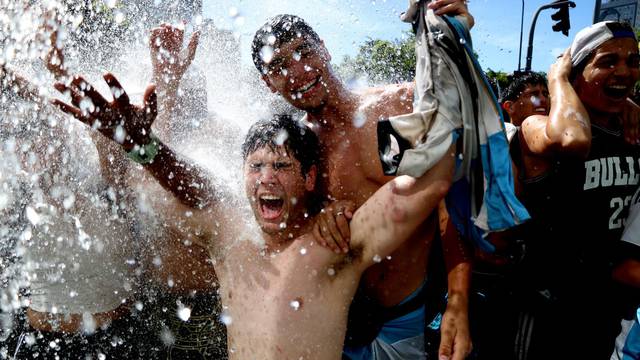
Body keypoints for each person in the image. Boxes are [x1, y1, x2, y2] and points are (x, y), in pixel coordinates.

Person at [52, 61, 456, 360]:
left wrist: (444, 40)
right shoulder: (229, 237)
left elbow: (435, 174)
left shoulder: (334, 243)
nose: (266, 179)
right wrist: (141, 146)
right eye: (256, 167)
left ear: (310, 179)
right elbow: (176, 187)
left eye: (281, 167)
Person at [250, 3, 474, 358]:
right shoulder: (294, 150)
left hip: (411, 314)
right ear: (268, 83)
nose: (298, 70)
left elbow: (447, 199)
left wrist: (458, 303)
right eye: (278, 66)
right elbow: (282, 233)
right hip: (342, 322)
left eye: (305, 51)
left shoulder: (389, 111)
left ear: (324, 48)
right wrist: (318, 218)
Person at [510, 21, 640, 359]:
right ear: (576, 72)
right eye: (608, 62)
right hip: (548, 309)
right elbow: (572, 138)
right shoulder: (537, 126)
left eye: (633, 61)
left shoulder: (630, 131)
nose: (624, 71)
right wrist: (556, 78)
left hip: (609, 310)